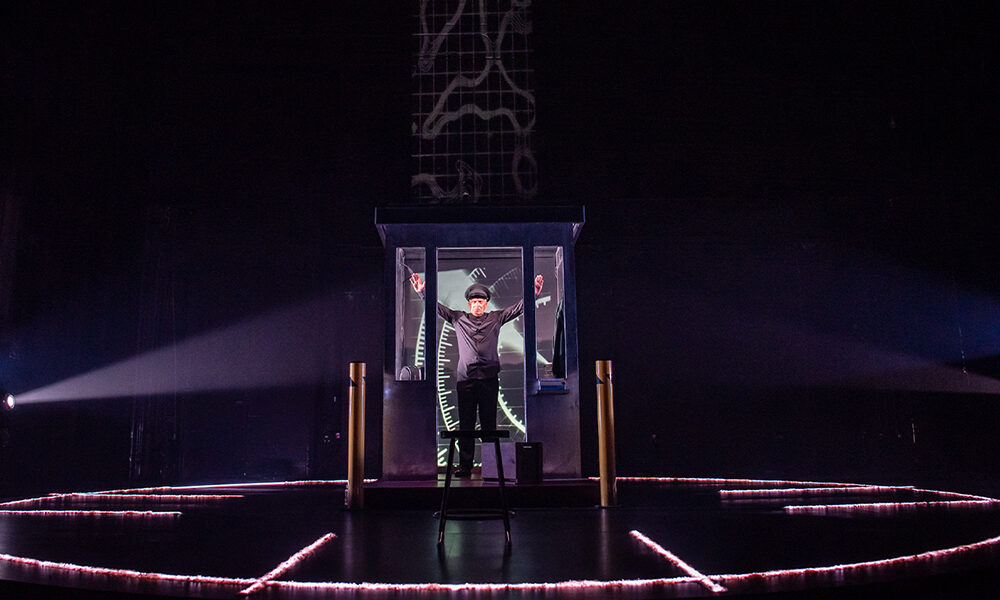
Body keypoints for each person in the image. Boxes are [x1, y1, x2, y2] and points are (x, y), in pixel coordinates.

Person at [410, 271, 543, 477]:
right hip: (466, 381)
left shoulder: (496, 318)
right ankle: (465, 466)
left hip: (489, 380)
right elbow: (437, 309)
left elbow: (517, 309)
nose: (478, 304)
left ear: (486, 303)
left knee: (489, 424)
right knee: (466, 423)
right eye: (474, 301)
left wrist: (533, 294)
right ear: (469, 304)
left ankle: (490, 467)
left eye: (481, 301)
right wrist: (422, 293)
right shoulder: (458, 318)